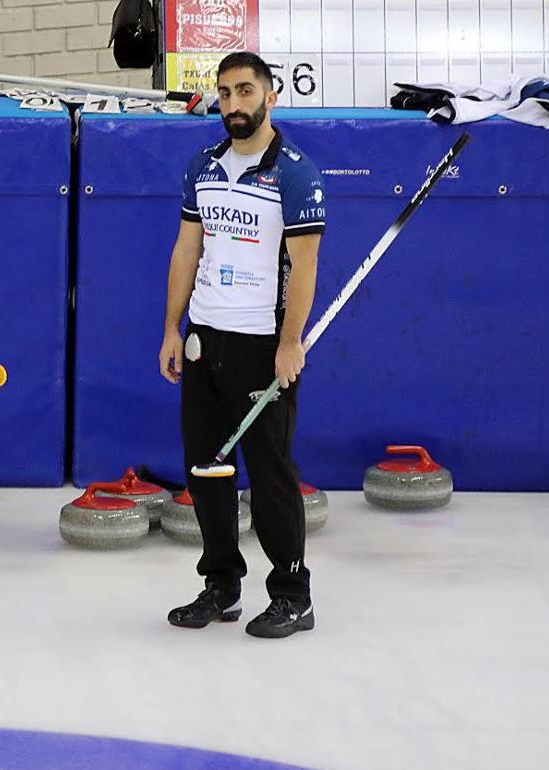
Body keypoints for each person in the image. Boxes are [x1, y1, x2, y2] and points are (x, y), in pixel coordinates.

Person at [157, 52, 326, 639]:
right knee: (206, 466)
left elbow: (304, 268)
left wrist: (290, 344)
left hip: (262, 346)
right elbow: (186, 250)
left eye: (244, 91)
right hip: (206, 339)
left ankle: (292, 593)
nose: (233, 104)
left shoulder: (295, 173)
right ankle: (221, 583)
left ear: (270, 96)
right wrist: (172, 329)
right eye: (225, 93)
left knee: (271, 470)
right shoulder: (203, 166)